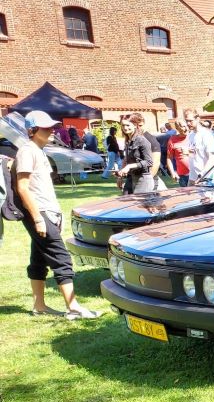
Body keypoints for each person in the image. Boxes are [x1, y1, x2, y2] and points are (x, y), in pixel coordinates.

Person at [13, 110, 101, 319]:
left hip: (46, 212)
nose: (52, 130)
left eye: (52, 127)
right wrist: (37, 218)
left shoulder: (39, 150)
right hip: (38, 213)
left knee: (39, 259)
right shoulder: (27, 151)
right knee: (61, 258)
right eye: (46, 128)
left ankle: (39, 306)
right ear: (32, 130)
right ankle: (73, 307)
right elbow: (22, 187)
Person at [117, 113, 156, 194]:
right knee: (125, 199)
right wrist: (120, 177)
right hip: (131, 177)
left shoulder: (141, 140)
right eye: (123, 125)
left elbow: (149, 162)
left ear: (135, 125)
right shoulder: (128, 141)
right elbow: (127, 160)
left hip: (143, 178)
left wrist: (129, 166)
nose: (125, 128)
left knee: (138, 202)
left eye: (128, 125)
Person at [184, 108, 214, 183]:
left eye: (190, 121)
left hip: (207, 180)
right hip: (193, 178)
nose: (188, 123)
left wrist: (201, 175)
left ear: (197, 119)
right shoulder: (190, 135)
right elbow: (193, 156)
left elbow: (212, 158)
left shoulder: (206, 134)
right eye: (186, 121)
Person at [167, 120, 190, 186]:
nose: (186, 128)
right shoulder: (172, 139)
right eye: (183, 126)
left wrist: (188, 152)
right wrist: (172, 172)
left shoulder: (193, 137)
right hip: (183, 176)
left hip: (196, 174)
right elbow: (169, 158)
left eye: (187, 126)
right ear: (177, 128)